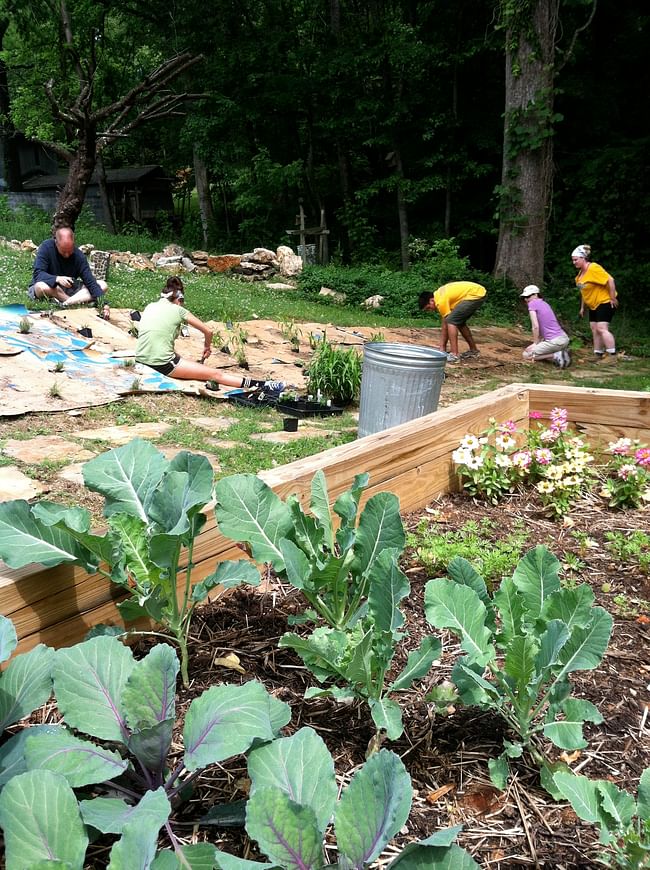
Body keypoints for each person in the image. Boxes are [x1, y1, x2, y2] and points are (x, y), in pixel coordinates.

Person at [135, 276, 285, 393]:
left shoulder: (150, 306)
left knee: (180, 359)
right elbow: (208, 331)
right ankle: (264, 385)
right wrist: (207, 346)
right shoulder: (179, 310)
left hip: (141, 359)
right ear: (180, 299)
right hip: (161, 364)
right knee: (215, 374)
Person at [28, 227, 108, 311]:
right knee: (41, 287)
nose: (67, 255)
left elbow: (90, 282)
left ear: (73, 244)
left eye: (69, 251)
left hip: (70, 287)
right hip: (50, 286)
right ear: (56, 243)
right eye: (63, 251)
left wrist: (103, 304)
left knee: (102, 285)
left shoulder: (79, 256)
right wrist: (57, 279)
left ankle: (67, 303)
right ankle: (76, 301)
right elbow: (38, 274)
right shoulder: (46, 247)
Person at [418, 281, 486, 362]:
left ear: (431, 300)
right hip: (477, 292)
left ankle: (454, 354)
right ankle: (473, 351)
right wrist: (442, 348)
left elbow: (446, 325)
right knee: (459, 322)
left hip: (474, 294)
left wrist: (442, 348)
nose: (430, 310)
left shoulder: (440, 301)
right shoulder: (439, 294)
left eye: (428, 308)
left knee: (452, 321)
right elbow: (445, 322)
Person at [572, 244, 618, 361]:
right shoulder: (579, 276)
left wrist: (612, 298)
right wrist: (582, 307)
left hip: (605, 301)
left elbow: (610, 280)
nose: (574, 262)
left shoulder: (593, 268)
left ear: (583, 258)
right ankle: (597, 354)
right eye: (573, 260)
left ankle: (612, 356)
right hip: (593, 305)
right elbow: (584, 292)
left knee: (602, 328)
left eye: (576, 259)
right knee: (594, 328)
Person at [520, 284, 571, 368]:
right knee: (532, 350)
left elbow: (535, 326)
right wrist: (538, 342)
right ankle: (560, 353)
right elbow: (543, 327)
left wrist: (535, 343)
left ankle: (557, 355)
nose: (526, 299)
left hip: (554, 342)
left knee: (526, 355)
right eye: (524, 297)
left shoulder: (532, 304)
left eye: (528, 296)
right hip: (563, 339)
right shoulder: (544, 303)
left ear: (535, 295)